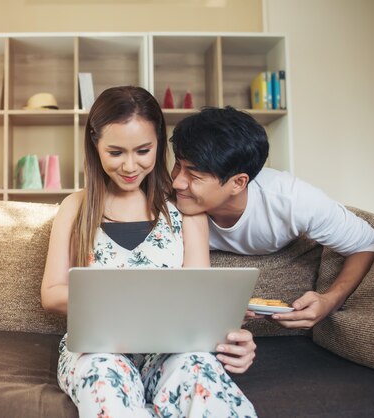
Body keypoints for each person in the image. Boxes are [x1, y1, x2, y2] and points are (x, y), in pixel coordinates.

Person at [41, 87, 257, 418]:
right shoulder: (75, 206)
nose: (130, 166)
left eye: (143, 150)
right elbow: (51, 295)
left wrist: (230, 337)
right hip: (97, 350)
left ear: (159, 142)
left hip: (171, 349)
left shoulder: (185, 210)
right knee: (105, 385)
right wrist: (126, 297)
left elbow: (199, 296)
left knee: (202, 377)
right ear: (95, 146)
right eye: (115, 152)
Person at [170, 106, 374, 330]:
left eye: (194, 176)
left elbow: (366, 242)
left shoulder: (291, 200)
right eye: (177, 165)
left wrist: (329, 301)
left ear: (238, 183)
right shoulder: (163, 201)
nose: (176, 182)